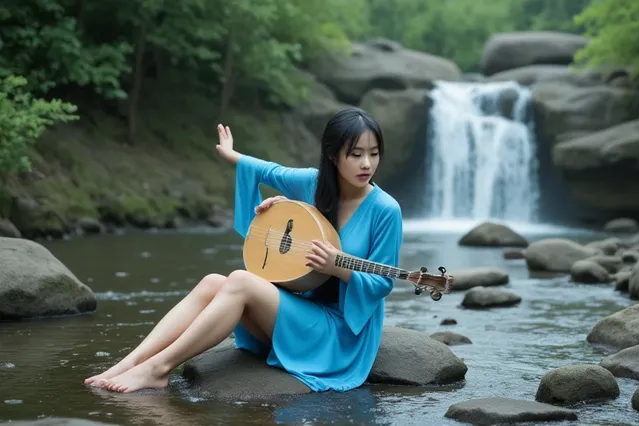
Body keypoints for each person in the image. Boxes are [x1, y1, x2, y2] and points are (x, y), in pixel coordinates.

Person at [84, 107, 403, 393]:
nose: (366, 164)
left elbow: (383, 282)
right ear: (333, 156)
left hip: (338, 334)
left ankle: (158, 369)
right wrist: (235, 158)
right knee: (211, 282)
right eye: (356, 154)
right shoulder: (312, 182)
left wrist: (339, 266)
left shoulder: (385, 210)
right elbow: (269, 170)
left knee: (239, 280)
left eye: (374, 154)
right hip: (300, 311)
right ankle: (130, 363)